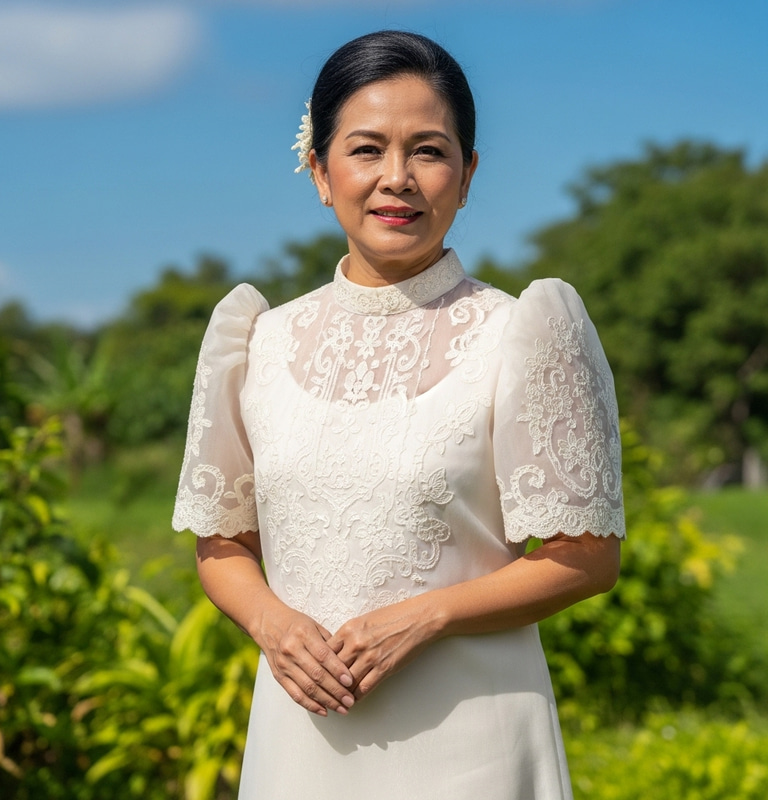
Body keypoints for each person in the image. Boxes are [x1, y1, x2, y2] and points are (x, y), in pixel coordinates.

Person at [172, 30, 625, 800]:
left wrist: (425, 617)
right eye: (366, 149)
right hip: (299, 740)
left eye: (428, 150)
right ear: (318, 170)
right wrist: (273, 627)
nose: (397, 179)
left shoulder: (525, 328)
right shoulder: (257, 340)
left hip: (470, 740)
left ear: (468, 173)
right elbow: (222, 542)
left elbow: (588, 556)